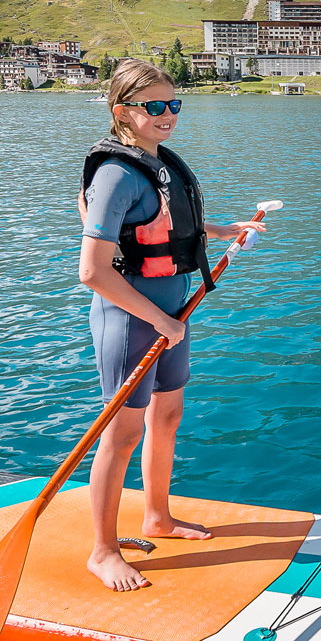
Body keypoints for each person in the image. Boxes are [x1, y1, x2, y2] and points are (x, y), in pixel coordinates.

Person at [78, 59, 265, 592]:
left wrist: (226, 228)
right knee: (123, 433)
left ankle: (156, 516)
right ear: (123, 112)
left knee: (168, 416)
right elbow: (92, 272)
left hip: (172, 316)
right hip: (133, 319)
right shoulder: (114, 174)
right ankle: (103, 550)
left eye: (173, 105)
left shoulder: (154, 162)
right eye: (154, 106)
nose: (167, 115)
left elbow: (165, 220)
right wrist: (160, 318)